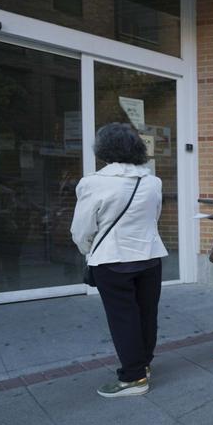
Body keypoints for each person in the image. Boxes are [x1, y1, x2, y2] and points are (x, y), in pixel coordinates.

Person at [72, 123, 168, 398]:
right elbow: (154, 216)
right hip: (150, 256)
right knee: (146, 314)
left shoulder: (93, 182)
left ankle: (133, 377)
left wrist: (88, 250)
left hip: (112, 261)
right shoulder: (153, 181)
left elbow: (81, 229)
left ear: (103, 149)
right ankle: (143, 365)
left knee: (123, 318)